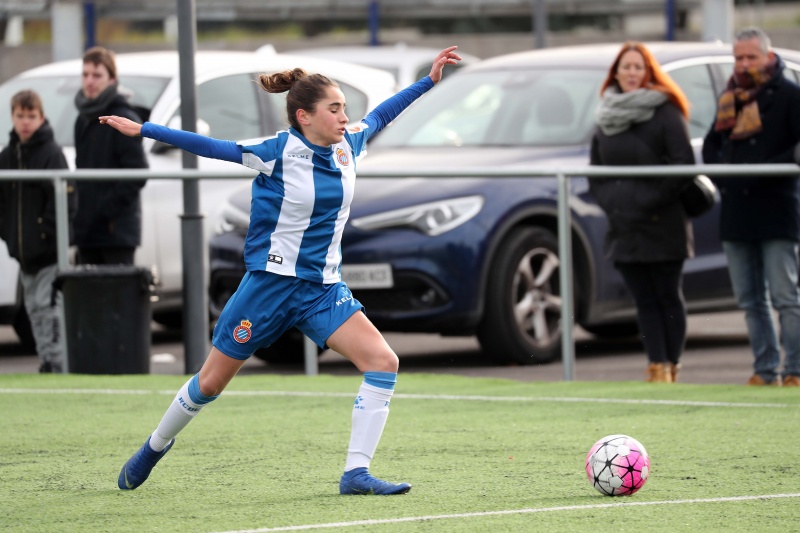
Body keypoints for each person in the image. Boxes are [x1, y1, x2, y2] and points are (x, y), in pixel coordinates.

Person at [103, 46, 462, 494]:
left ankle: (355, 473)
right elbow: (212, 147)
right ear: (303, 116)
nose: (344, 117)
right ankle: (154, 447)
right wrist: (144, 129)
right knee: (210, 384)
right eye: (334, 109)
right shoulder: (276, 151)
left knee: (382, 361)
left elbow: (385, 114)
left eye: (344, 108)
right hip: (269, 287)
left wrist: (428, 80)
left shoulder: (349, 145)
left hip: (322, 289)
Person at [589, 41, 695, 383]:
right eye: (626, 66)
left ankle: (672, 365)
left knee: (666, 295)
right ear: (615, 73)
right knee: (644, 300)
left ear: (648, 72)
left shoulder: (664, 110)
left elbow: (683, 165)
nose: (631, 73)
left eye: (638, 67)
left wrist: (646, 200)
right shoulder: (605, 115)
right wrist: (614, 203)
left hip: (661, 222)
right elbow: (596, 171)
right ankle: (655, 366)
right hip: (624, 225)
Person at [703, 27, 800, 387]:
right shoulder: (731, 95)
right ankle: (764, 369)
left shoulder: (790, 94)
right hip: (737, 211)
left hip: (777, 208)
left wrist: (760, 172)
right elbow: (714, 143)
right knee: (749, 299)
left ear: (767, 56)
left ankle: (795, 370)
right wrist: (726, 178)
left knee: (785, 296)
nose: (744, 64)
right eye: (739, 57)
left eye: (750, 57)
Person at [0, 90, 74, 373]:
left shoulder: (51, 154)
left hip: (47, 253)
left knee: (48, 309)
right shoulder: (7, 156)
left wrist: (46, 235)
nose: (26, 122)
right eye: (20, 116)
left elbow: (66, 201)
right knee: (33, 309)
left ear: (41, 117)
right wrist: (8, 234)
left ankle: (55, 363)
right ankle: (47, 360)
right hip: (23, 253)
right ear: (13, 117)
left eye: (31, 116)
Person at [73, 46, 148, 266]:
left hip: (115, 233)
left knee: (117, 299)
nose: (90, 81)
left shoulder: (122, 118)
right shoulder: (83, 119)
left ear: (112, 79)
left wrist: (104, 211)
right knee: (89, 299)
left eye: (97, 75)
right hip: (88, 233)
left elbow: (137, 173)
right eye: (85, 74)